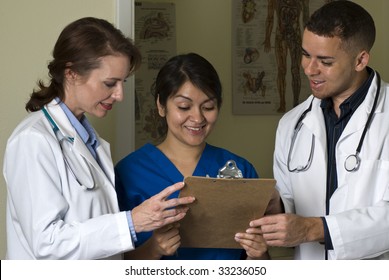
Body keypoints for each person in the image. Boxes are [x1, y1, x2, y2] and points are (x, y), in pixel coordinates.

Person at [2, 17, 195, 260]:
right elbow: (47, 244)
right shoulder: (33, 140)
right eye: (109, 83)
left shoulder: (91, 143)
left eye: (122, 83)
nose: (119, 95)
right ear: (71, 74)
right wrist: (132, 222)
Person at [250, 1, 389, 260]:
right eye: (305, 54)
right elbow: (290, 199)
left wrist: (314, 228)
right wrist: (275, 205)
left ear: (360, 60)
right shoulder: (291, 124)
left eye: (325, 61)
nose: (309, 69)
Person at [115, 53, 275, 260]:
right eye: (184, 107)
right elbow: (112, 262)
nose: (198, 118)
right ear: (161, 106)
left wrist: (258, 253)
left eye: (208, 107)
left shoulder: (241, 169)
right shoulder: (130, 173)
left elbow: (259, 265)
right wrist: (153, 248)